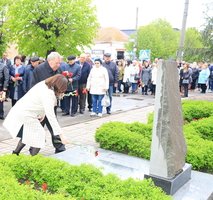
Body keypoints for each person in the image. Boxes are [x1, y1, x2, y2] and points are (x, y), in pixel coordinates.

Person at [3, 74, 69, 156]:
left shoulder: (44, 84)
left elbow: (42, 103)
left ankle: (15, 154)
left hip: (21, 110)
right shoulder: (49, 94)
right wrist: (61, 136)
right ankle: (33, 162)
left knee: (28, 134)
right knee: (39, 137)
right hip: (26, 114)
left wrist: (43, 114)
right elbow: (51, 117)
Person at [30, 52, 66, 154]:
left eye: (59, 63)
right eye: (57, 63)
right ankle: (33, 149)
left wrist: (60, 93)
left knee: (53, 125)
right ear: (50, 61)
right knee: (37, 129)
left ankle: (60, 148)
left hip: (51, 103)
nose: (59, 65)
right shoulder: (39, 69)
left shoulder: (58, 70)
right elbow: (32, 87)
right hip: (39, 105)